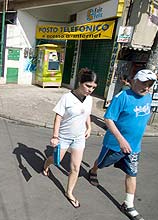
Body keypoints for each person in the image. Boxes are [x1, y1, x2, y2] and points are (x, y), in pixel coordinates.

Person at [88, 69, 157, 220]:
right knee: (101, 163)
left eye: (150, 84)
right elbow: (108, 119)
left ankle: (129, 204)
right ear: (134, 80)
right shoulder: (122, 97)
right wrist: (121, 139)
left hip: (134, 147)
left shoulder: (148, 97)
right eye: (144, 83)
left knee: (132, 173)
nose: (147, 87)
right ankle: (93, 171)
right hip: (114, 145)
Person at [43, 68, 98, 208]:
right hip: (63, 137)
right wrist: (55, 136)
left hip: (79, 138)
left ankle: (69, 192)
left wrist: (89, 127)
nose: (90, 90)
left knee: (75, 167)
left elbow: (87, 114)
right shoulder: (67, 98)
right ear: (80, 83)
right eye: (88, 86)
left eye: (93, 87)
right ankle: (46, 165)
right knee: (56, 161)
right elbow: (58, 117)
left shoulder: (89, 99)